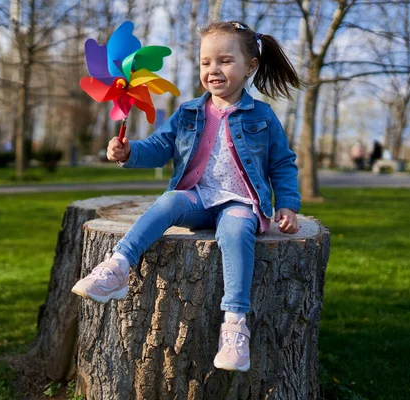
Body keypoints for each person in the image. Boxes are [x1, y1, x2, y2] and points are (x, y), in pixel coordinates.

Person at [72, 21, 302, 372]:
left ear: (250, 66)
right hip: (196, 196)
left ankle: (235, 325)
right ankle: (117, 268)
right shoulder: (190, 111)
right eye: (205, 62)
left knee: (236, 232)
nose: (213, 70)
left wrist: (287, 204)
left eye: (225, 61)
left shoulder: (262, 116)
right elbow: (160, 146)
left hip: (240, 202)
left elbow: (282, 163)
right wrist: (129, 151)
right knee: (168, 201)